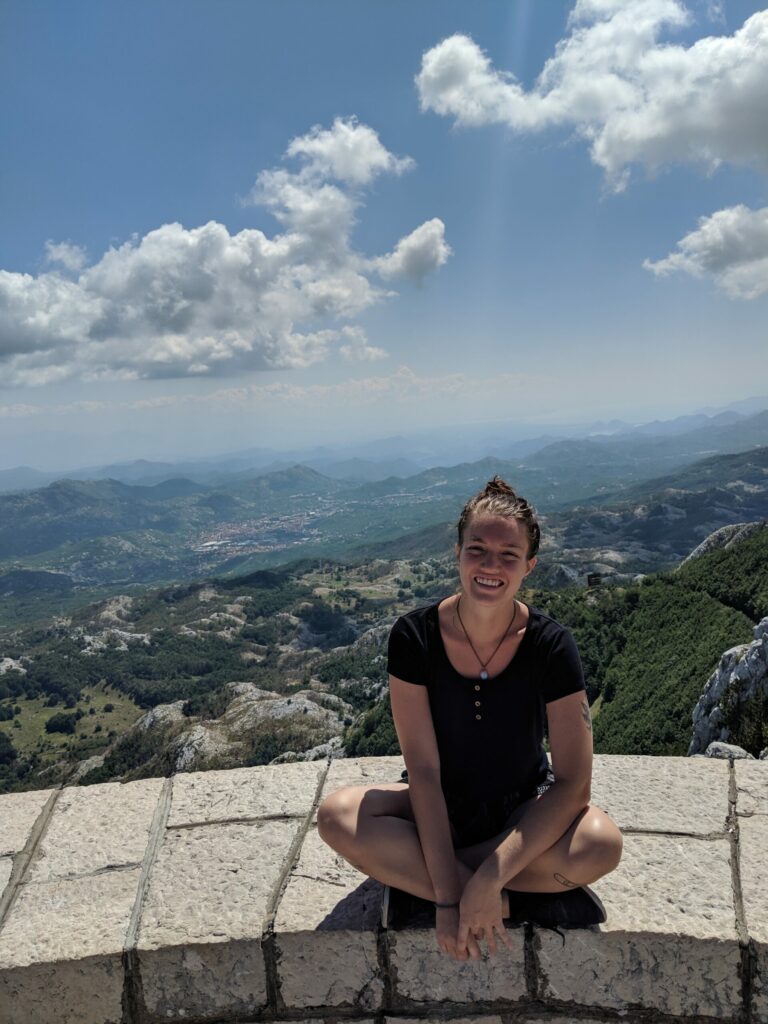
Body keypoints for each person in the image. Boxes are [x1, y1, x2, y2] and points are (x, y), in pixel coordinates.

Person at [317, 476, 623, 962]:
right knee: (336, 816)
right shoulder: (413, 637)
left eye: (509, 555)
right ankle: (514, 899)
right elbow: (424, 771)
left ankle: (429, 885)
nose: (491, 565)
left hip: (521, 810)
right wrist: (452, 896)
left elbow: (573, 785)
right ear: (457, 551)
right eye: (477, 548)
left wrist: (482, 876)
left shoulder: (551, 645)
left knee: (601, 844)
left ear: (530, 566)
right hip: (436, 808)